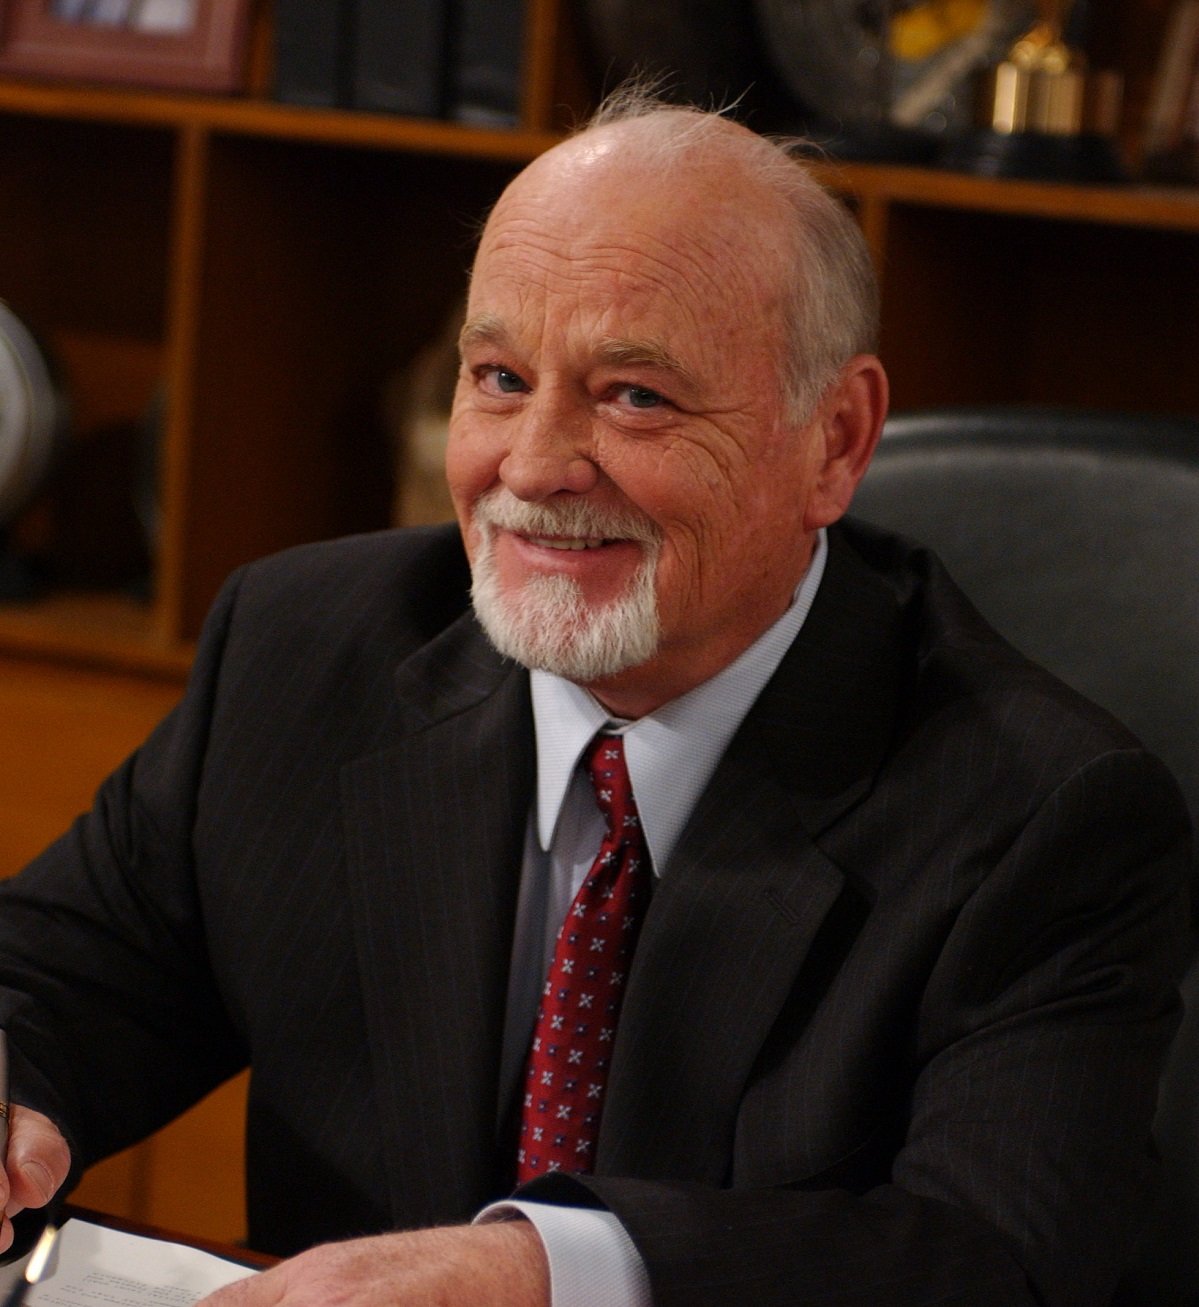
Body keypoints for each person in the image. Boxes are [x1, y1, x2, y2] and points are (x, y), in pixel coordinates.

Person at [0, 87, 1190, 1307]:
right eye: (501, 376)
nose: (531, 466)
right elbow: (57, 973)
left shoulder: (1041, 813)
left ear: (833, 438)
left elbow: (998, 1261)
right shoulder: (302, 651)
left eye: (635, 396)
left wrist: (543, 1272)